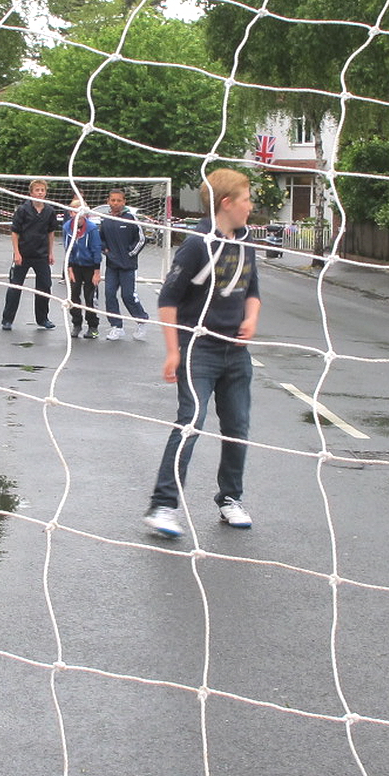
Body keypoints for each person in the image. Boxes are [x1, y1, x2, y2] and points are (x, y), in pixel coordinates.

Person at [144, 169, 260, 538]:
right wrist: (172, 351)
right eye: (246, 199)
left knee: (237, 428)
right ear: (226, 203)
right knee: (191, 422)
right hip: (200, 350)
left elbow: (252, 289)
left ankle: (230, 500)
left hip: (236, 353)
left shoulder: (245, 240)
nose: (251, 206)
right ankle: (162, 506)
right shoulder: (197, 244)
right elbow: (168, 299)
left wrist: (252, 318)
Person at [0, 179, 58, 331]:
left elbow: (51, 233)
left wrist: (50, 252)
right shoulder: (23, 209)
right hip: (23, 255)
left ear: (46, 192)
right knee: (15, 287)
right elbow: (14, 232)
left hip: (41, 256)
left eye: (42, 190)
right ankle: (7, 319)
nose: (40, 193)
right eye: (37, 190)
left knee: (44, 287)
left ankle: (43, 319)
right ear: (31, 192)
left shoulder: (49, 211)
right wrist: (17, 253)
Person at [98, 187, 149, 340]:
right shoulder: (105, 219)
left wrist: (130, 254)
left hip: (128, 266)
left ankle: (141, 320)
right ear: (108, 202)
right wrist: (105, 251)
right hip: (112, 266)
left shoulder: (131, 218)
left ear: (124, 202)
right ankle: (116, 326)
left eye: (119, 200)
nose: (115, 203)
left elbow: (141, 239)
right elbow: (101, 239)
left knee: (128, 295)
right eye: (112, 200)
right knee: (109, 294)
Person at [63, 197, 103, 339]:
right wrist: (69, 268)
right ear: (71, 213)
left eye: (81, 212)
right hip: (75, 266)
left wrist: (97, 272)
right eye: (74, 212)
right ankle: (77, 324)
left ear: (85, 214)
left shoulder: (91, 229)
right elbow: (67, 248)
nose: (78, 215)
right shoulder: (67, 227)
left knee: (90, 297)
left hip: (90, 267)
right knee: (73, 296)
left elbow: (96, 249)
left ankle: (93, 326)